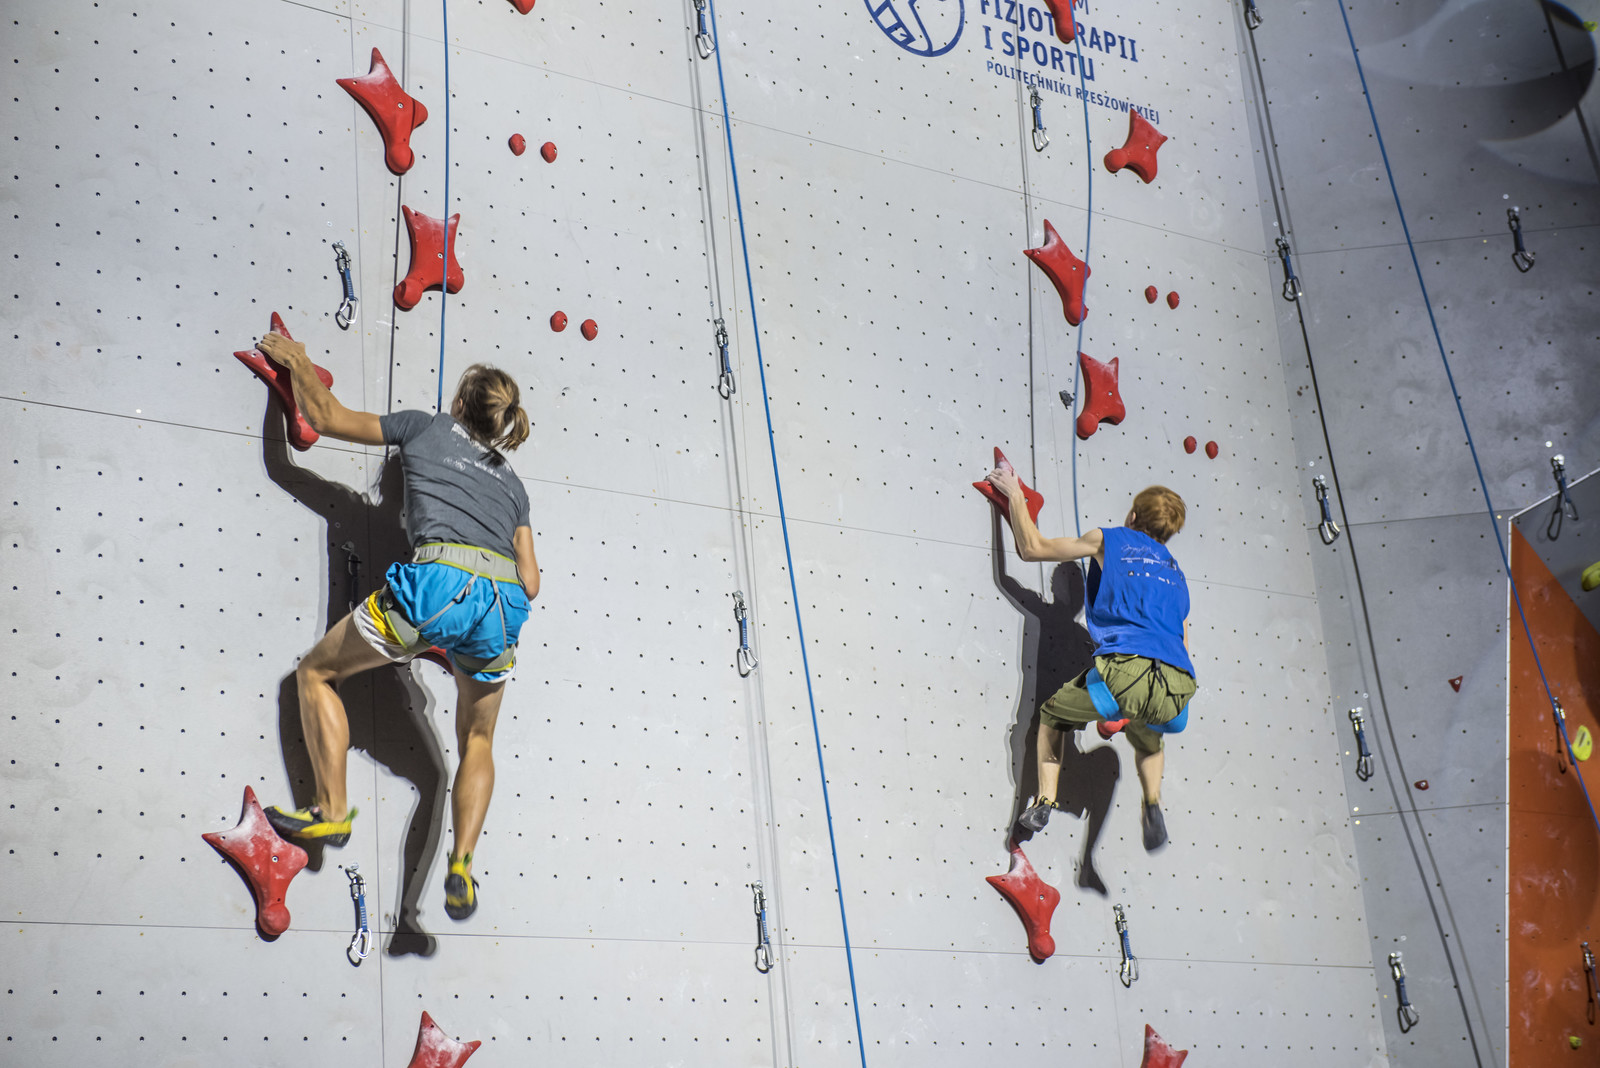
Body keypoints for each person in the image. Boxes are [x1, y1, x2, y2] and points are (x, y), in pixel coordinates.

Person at [255, 331, 540, 920]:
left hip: (438, 585)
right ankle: (462, 864)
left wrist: (297, 361)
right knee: (478, 740)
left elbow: (324, 416)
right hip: (502, 605)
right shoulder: (513, 485)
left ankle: (332, 810)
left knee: (314, 675)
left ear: (459, 403)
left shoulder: (424, 427)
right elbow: (532, 582)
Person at [986, 472, 1195, 851]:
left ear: (1133, 516)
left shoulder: (1110, 539)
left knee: (1054, 716)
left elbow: (1031, 548)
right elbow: (1181, 641)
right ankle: (1152, 803)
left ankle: (1044, 801)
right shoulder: (1176, 575)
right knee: (1148, 736)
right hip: (1176, 688)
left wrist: (1014, 494)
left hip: (1127, 671)